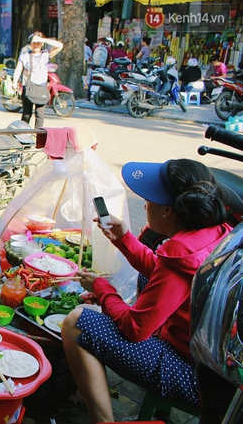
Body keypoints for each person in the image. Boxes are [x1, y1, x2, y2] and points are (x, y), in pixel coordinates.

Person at [61, 159, 231, 423]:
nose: (144, 204)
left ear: (167, 211)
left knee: (76, 321)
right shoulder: (213, 232)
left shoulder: (180, 254)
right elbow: (163, 272)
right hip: (216, 370)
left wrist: (101, 288)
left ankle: (104, 420)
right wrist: (124, 239)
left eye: (149, 199)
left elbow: (136, 328)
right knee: (143, 279)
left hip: (197, 381)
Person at [12, 32, 63, 129]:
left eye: (38, 42)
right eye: (33, 42)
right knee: (26, 115)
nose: (35, 45)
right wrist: (14, 82)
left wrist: (43, 39)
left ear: (42, 44)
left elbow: (60, 46)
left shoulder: (45, 54)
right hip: (28, 88)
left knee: (40, 116)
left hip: (41, 88)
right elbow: (18, 69)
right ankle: (24, 136)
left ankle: (37, 138)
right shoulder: (24, 55)